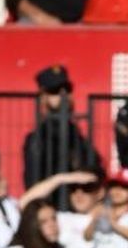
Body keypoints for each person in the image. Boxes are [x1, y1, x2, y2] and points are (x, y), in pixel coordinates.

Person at [22, 67, 100, 196]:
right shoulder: (37, 139)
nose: (63, 95)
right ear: (43, 97)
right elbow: (32, 184)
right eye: (55, 91)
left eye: (67, 89)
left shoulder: (77, 136)